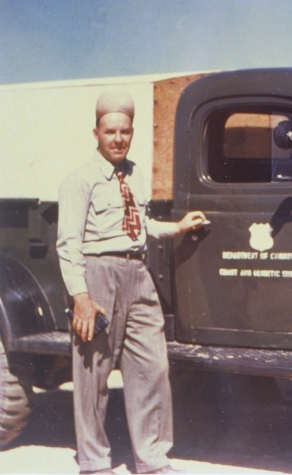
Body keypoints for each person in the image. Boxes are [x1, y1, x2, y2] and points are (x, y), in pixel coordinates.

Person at [57, 91, 206, 474]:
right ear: (96, 133)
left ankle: (152, 459)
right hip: (97, 275)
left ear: (132, 132)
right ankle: (93, 461)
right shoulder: (79, 180)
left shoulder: (136, 173)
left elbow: (138, 225)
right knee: (94, 373)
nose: (118, 139)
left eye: (125, 132)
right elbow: (68, 244)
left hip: (138, 274)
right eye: (110, 132)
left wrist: (176, 228)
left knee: (152, 367)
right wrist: (81, 298)